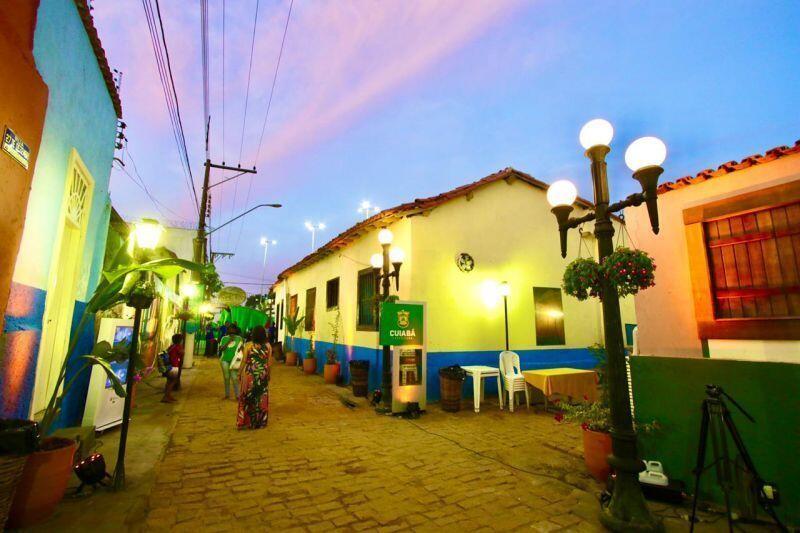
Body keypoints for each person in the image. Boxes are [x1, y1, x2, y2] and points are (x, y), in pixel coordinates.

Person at [237, 325, 272, 429]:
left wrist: (239, 373)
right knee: (261, 398)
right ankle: (260, 422)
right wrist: (268, 374)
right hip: (262, 374)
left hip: (249, 375)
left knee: (247, 396)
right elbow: (269, 363)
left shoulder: (248, 345)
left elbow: (243, 361)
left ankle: (246, 422)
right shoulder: (268, 346)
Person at [218, 325, 243, 400]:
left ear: (235, 330)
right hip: (224, 360)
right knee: (226, 377)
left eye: (233, 330)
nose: (232, 331)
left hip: (234, 361)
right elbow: (221, 349)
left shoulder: (239, 338)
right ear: (228, 331)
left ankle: (237, 395)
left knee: (234, 378)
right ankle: (227, 394)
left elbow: (242, 348)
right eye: (230, 330)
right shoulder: (224, 338)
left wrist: (241, 349)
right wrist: (229, 341)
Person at [162, 333, 183, 403]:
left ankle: (168, 395)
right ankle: (166, 396)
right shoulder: (177, 347)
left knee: (169, 381)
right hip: (174, 365)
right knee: (173, 381)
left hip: (169, 365)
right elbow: (182, 353)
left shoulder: (171, 346)